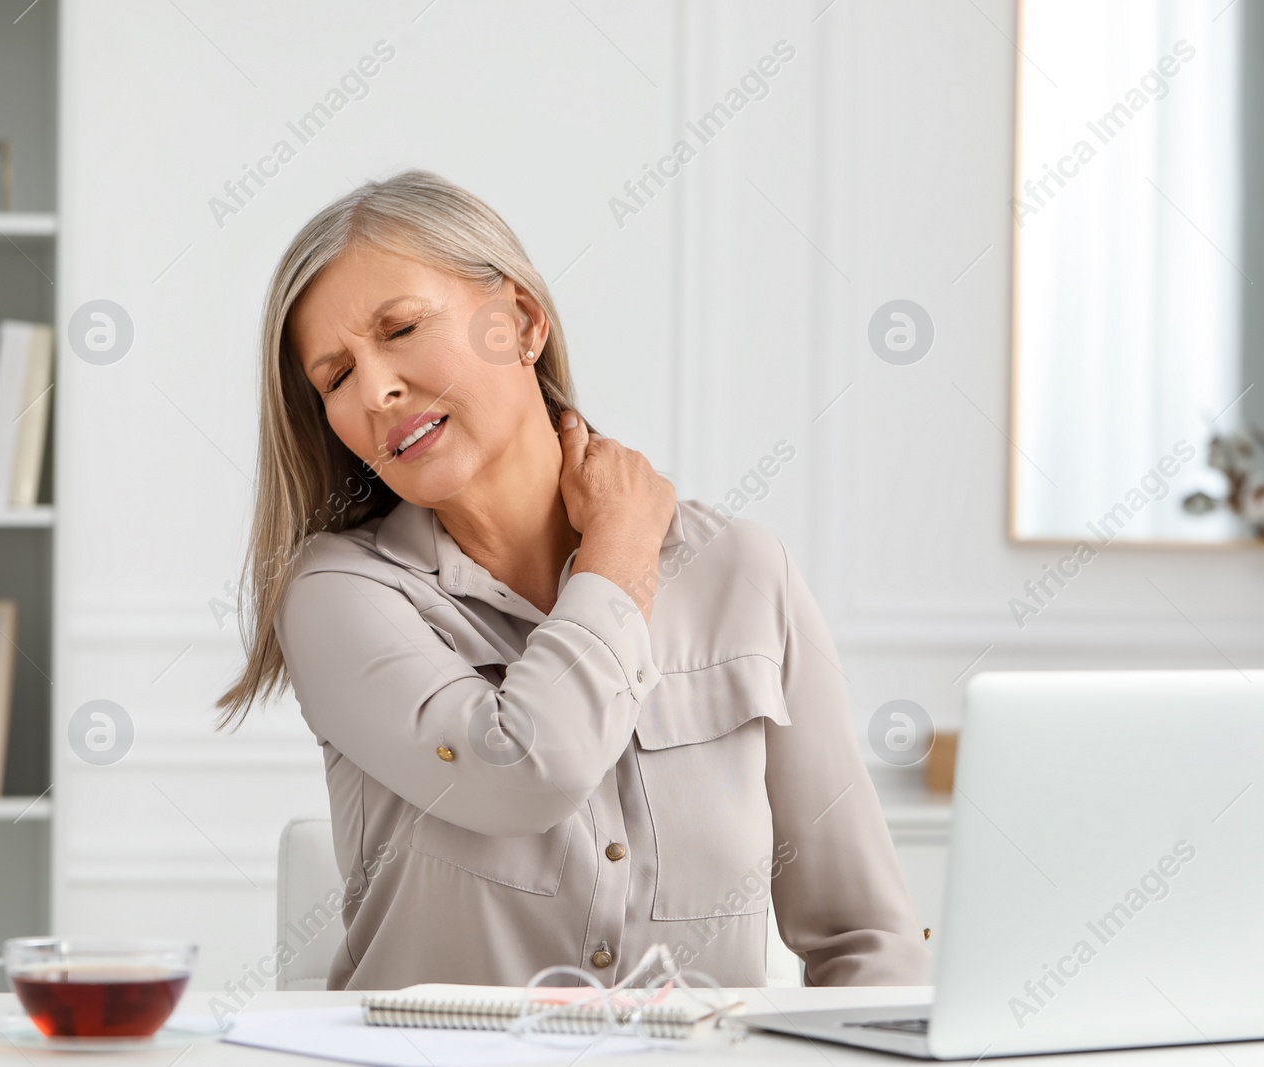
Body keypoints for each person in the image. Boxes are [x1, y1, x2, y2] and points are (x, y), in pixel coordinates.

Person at [217, 170, 929, 990]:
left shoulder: (742, 571)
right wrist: (620, 551)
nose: (376, 389)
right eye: (336, 377)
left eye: (403, 327)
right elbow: (526, 771)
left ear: (519, 322)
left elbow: (868, 938)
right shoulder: (339, 595)